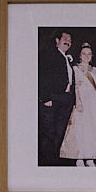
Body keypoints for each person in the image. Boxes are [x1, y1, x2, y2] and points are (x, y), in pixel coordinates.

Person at [58, 43, 96, 166]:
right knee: (81, 129)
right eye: (84, 54)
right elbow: (75, 87)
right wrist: (78, 102)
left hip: (94, 101)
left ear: (92, 56)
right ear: (80, 55)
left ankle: (90, 157)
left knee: (93, 130)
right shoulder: (75, 68)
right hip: (82, 100)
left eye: (89, 54)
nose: (86, 56)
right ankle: (80, 157)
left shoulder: (94, 70)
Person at [37, 30, 75, 166]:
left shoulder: (68, 59)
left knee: (60, 132)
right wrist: (45, 97)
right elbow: (41, 75)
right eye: (65, 38)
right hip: (52, 98)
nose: (67, 41)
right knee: (48, 132)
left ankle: (55, 162)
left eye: (69, 40)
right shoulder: (48, 55)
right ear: (57, 41)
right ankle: (46, 164)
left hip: (66, 99)